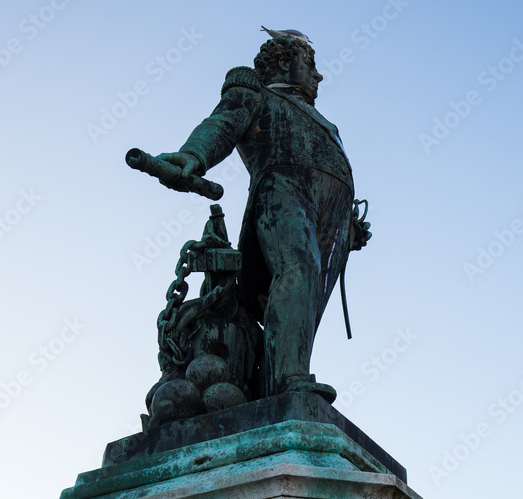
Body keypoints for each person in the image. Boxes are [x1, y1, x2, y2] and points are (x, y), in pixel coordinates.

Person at [156, 28, 368, 402]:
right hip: (283, 191)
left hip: (331, 218)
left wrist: (349, 226)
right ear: (284, 62)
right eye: (310, 64)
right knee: (298, 268)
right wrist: (193, 156)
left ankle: (279, 382)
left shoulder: (326, 125)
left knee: (307, 297)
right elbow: (221, 124)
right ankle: (290, 380)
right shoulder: (256, 93)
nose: (317, 76)